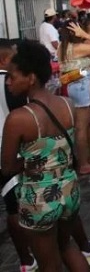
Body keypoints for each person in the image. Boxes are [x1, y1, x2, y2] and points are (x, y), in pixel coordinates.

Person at [1, 41, 89, 272]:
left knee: (49, 263)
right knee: (68, 246)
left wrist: (34, 160)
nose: (8, 82)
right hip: (70, 189)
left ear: (31, 78)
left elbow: (7, 167)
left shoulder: (19, 118)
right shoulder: (67, 104)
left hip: (40, 197)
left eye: (12, 76)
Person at [0, 39, 36, 271]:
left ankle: (25, 259)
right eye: (13, 56)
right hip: (9, 152)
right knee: (14, 206)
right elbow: (24, 116)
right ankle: (27, 258)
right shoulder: (9, 82)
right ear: (4, 59)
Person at [57, 21, 90, 175]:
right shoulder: (77, 48)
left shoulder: (62, 47)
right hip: (81, 87)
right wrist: (85, 34)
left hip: (73, 85)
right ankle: (84, 163)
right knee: (82, 127)